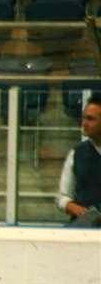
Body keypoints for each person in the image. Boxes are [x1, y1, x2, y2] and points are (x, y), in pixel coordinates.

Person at [57, 95, 101, 225]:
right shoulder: (76, 153)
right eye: (84, 117)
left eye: (91, 119)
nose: (84, 123)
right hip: (84, 229)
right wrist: (75, 209)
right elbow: (62, 197)